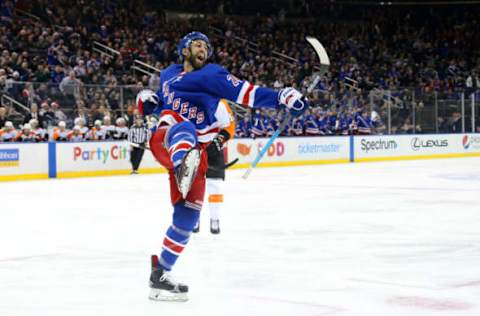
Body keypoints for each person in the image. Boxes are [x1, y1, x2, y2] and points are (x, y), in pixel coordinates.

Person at [137, 31, 309, 302]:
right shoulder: (168, 73)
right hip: (169, 138)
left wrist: (282, 97)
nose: (203, 49)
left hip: (197, 155)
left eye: (206, 46)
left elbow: (247, 93)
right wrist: (146, 101)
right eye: (197, 44)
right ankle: (183, 164)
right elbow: (159, 103)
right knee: (181, 125)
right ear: (184, 50)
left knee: (187, 218)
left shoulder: (213, 75)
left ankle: (160, 276)